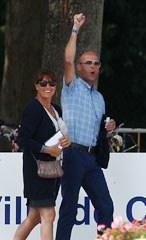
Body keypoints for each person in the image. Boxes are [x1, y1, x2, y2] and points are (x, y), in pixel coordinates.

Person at [55, 13, 115, 240]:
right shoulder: (71, 86)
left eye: (96, 63)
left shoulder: (99, 98)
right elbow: (68, 60)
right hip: (72, 153)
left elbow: (101, 130)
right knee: (69, 208)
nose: (92, 67)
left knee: (106, 207)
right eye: (88, 63)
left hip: (91, 158)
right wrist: (75, 28)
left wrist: (109, 128)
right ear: (79, 67)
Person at [13, 70, 71, 240]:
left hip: (52, 169)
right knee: (48, 215)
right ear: (36, 86)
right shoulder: (33, 109)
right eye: (43, 83)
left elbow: (58, 136)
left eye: (52, 83)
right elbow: (23, 140)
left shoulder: (56, 109)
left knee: (34, 217)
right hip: (36, 170)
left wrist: (65, 142)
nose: (48, 86)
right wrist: (48, 150)